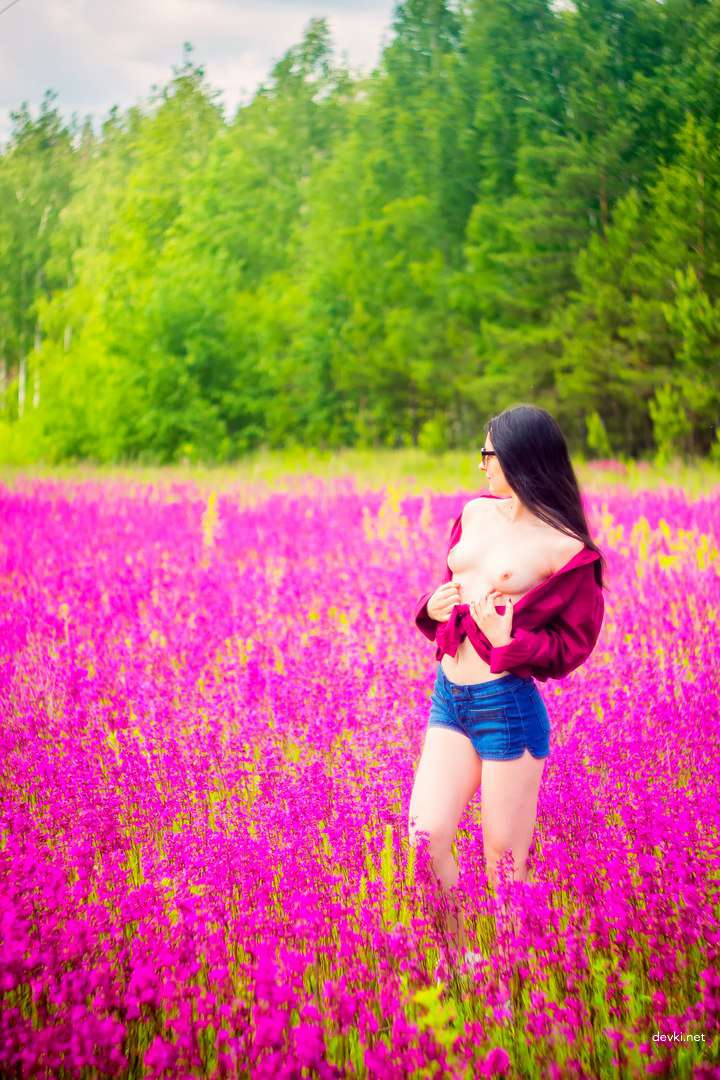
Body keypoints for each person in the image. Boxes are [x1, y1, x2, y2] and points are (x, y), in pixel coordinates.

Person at [408, 404, 607, 968]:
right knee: (425, 838)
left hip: (507, 708)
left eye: (488, 453)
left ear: (521, 456)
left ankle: (511, 980)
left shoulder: (566, 547)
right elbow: (455, 587)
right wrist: (433, 606)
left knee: (503, 864)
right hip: (450, 699)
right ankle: (456, 962)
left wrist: (509, 640)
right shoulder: (475, 513)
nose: (481, 464)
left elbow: (572, 646)